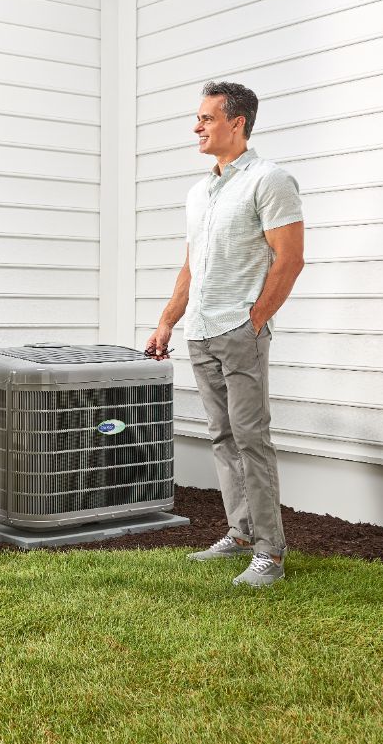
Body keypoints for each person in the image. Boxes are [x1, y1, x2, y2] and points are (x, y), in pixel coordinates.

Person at [146, 81, 305, 587]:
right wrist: (168, 319)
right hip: (202, 330)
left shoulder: (270, 179)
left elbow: (290, 259)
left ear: (236, 122)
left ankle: (270, 553)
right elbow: (191, 266)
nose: (197, 127)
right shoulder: (200, 192)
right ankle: (239, 532)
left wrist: (254, 319)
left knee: (251, 439)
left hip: (240, 331)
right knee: (222, 436)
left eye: (206, 118)